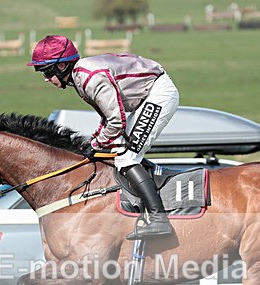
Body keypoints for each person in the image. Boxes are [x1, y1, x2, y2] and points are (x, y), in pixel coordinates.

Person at [27, 35, 179, 239]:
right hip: (144, 96)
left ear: (62, 66)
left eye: (46, 71)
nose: (46, 78)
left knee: (126, 157)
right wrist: (94, 142)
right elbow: (107, 118)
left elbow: (116, 120)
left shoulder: (90, 78)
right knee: (120, 149)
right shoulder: (81, 77)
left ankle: (159, 218)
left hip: (158, 94)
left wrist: (96, 143)